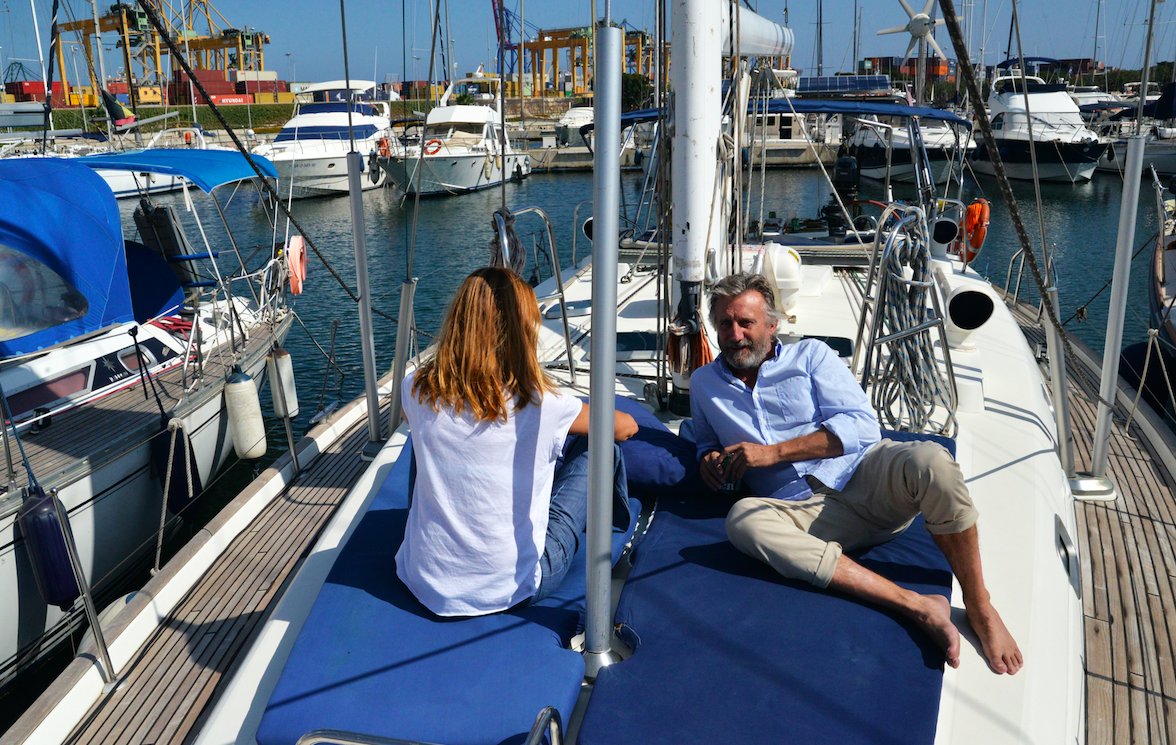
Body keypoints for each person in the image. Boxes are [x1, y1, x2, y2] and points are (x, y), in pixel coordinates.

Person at [690, 272, 1023, 675]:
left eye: (747, 322)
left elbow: (863, 428)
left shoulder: (810, 356)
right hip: (803, 515)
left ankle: (979, 605)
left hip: (864, 480)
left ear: (772, 325)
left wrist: (773, 453)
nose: (736, 333)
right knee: (743, 521)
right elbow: (705, 444)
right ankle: (916, 604)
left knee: (932, 461)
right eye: (726, 323)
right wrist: (708, 462)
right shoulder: (704, 385)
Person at [396, 267, 638, 617]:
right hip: (515, 586)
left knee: (424, 439)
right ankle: (615, 525)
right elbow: (625, 427)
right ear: (524, 330)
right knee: (599, 446)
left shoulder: (416, 388)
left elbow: (417, 419)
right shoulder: (542, 404)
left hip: (424, 579)